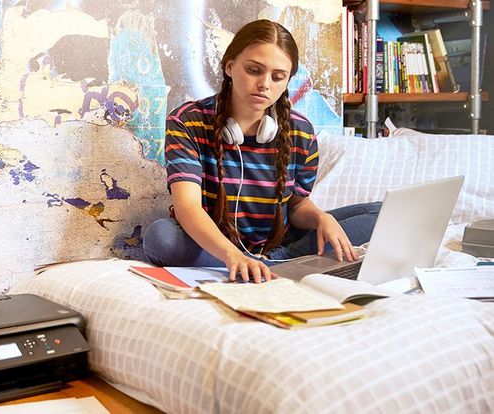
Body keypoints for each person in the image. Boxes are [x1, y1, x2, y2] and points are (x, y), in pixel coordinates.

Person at [143, 19, 381, 283]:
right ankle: (270, 265)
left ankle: (269, 263)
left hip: (282, 243)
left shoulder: (300, 131)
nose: (265, 84)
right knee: (161, 238)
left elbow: (297, 205)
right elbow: (188, 207)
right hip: (219, 247)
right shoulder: (187, 121)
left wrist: (319, 217)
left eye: (278, 77)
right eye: (254, 70)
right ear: (229, 66)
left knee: (380, 213)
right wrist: (232, 254)